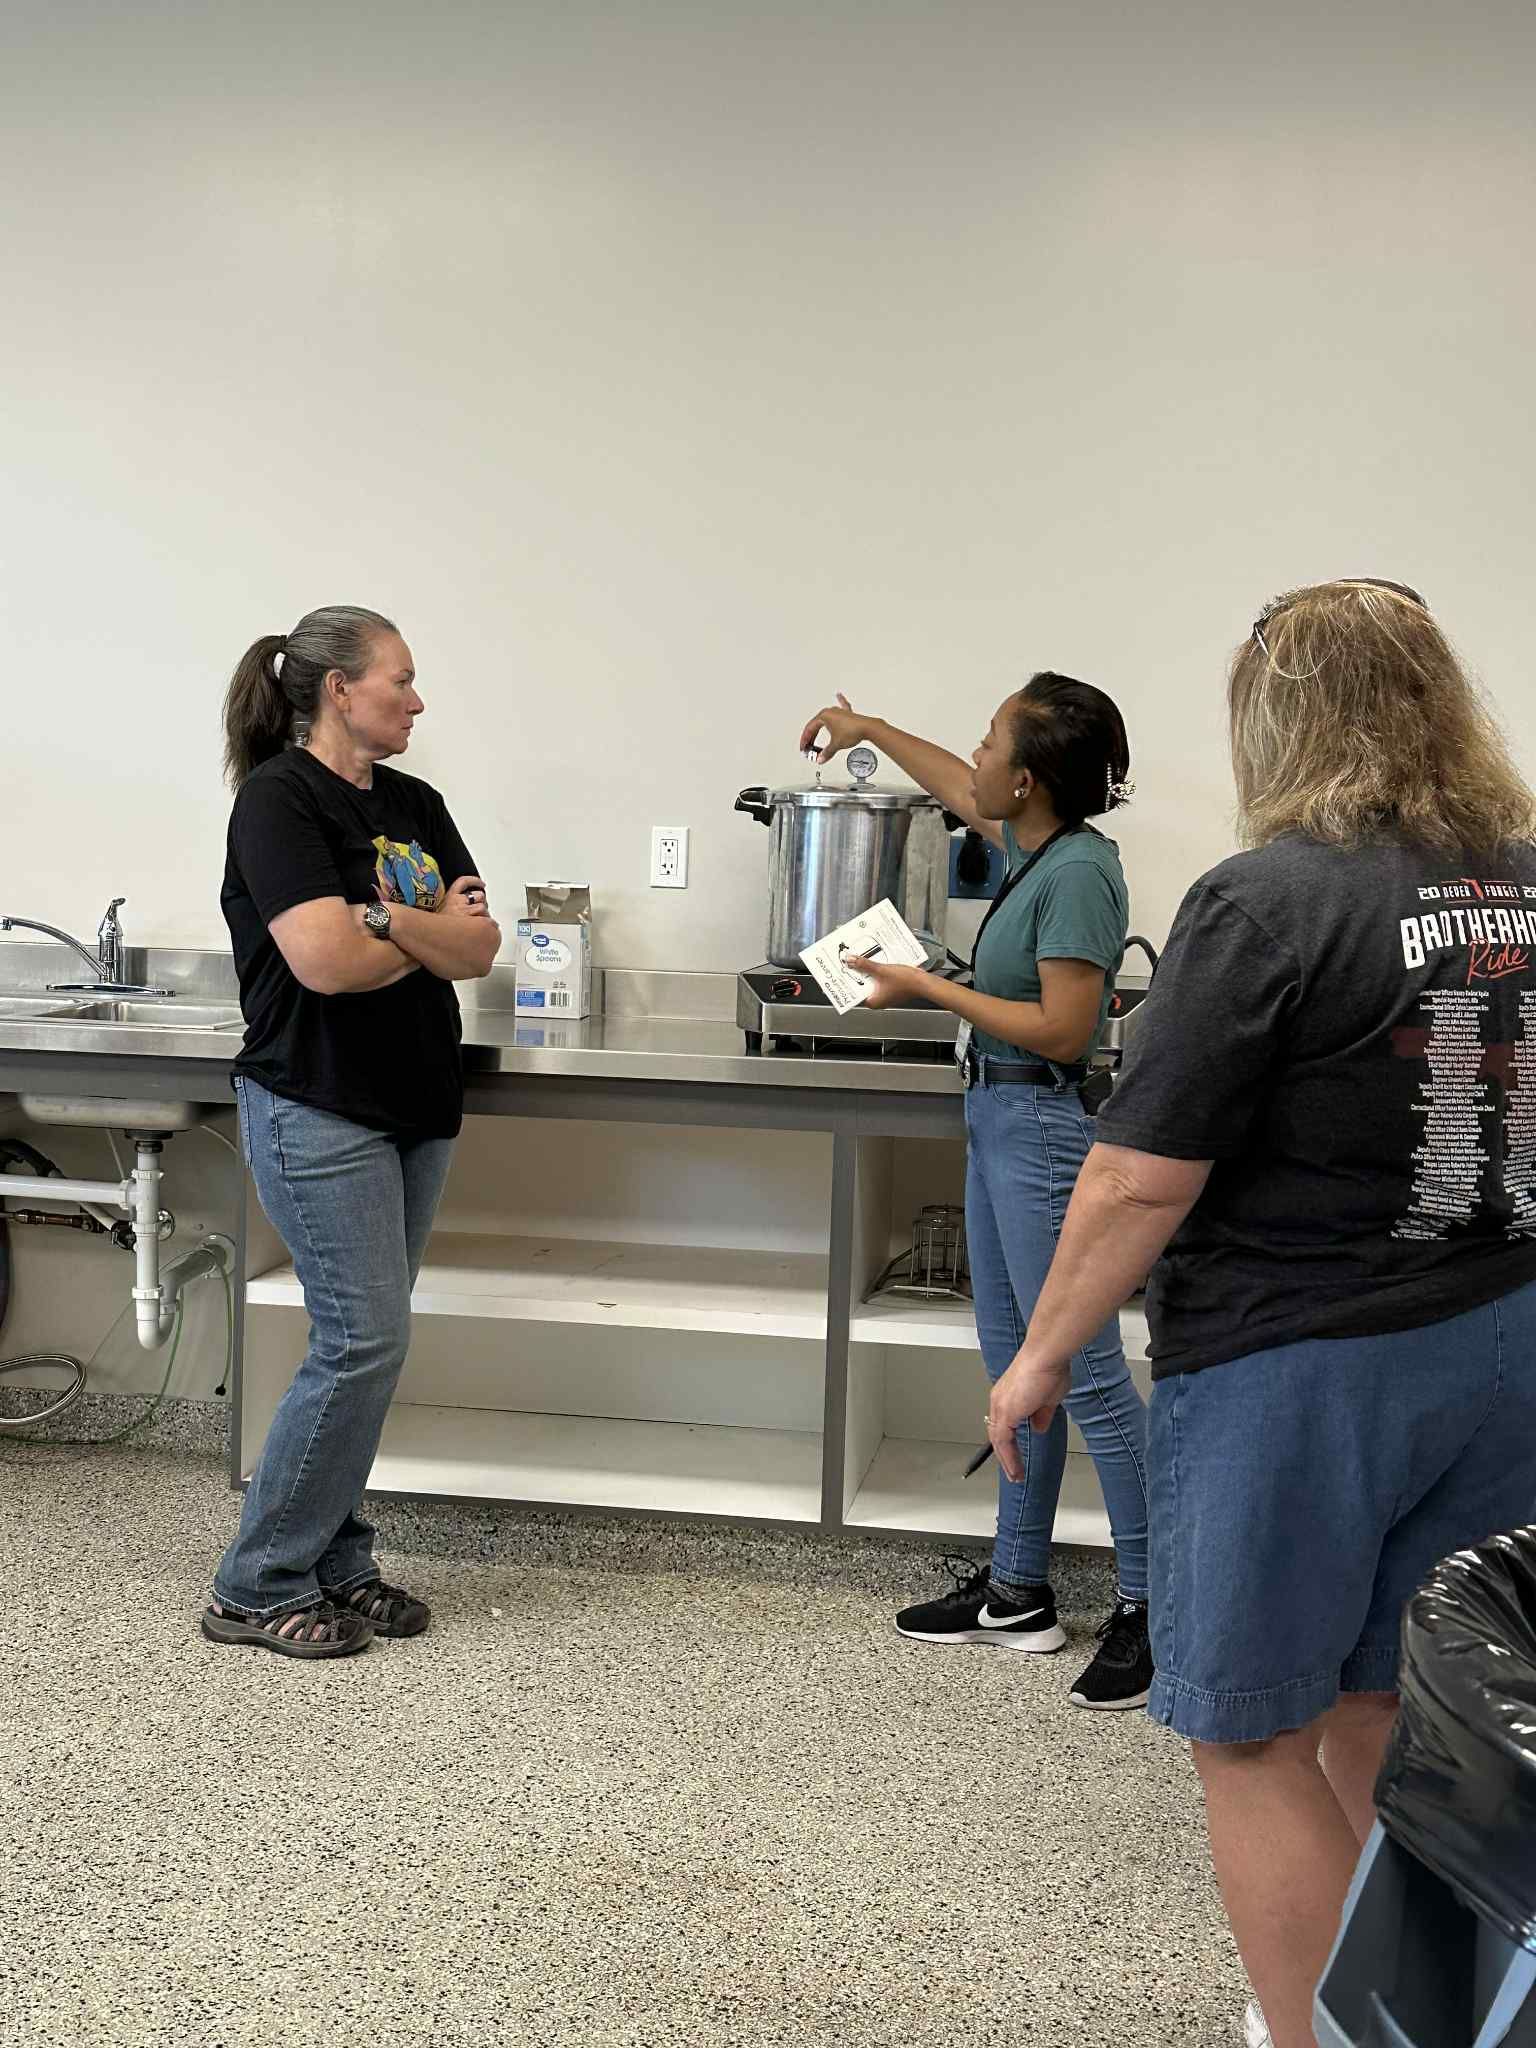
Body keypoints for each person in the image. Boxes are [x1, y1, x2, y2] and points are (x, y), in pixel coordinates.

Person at [985, 580, 1536, 2047]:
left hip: (1303, 1364)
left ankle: (1316, 2032)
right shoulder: (1524, 878)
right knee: (1391, 1711)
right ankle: (1432, 2016)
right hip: (1497, 1340)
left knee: (1244, 1730)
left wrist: (1039, 1357)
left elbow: (1136, 1181)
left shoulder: (1272, 897)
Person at [798, 677, 1152, 1710]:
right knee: (1014, 1366)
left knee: (1078, 1367)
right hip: (996, 1117)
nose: (977, 753)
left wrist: (924, 985)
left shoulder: (1080, 872)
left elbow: (1062, 1029)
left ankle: (1147, 1605)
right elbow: (955, 784)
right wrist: (866, 729)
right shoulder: (1035, 846)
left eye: (993, 739)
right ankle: (1017, 1588)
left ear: (1030, 776)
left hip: (1041, 1126)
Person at [207, 605, 500, 1660]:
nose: (418, 700)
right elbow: (324, 963)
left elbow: (480, 944)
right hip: (318, 1100)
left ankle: (336, 1558)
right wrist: (416, 933)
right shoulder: (280, 801)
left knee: (373, 1344)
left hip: (414, 1103)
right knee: (360, 1337)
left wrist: (384, 920)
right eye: (402, 680)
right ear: (339, 688)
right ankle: (255, 1581)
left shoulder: (415, 801)